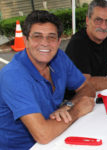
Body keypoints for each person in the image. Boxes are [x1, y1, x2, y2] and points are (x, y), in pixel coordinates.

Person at [0, 10, 95, 149]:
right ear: (26, 41)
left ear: (58, 42)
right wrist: (76, 111)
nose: (45, 43)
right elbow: (43, 135)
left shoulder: (59, 58)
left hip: (55, 137)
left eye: (51, 37)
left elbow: (87, 89)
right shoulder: (13, 75)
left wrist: (67, 106)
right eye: (37, 36)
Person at [65, 0, 107, 97]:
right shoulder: (78, 43)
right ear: (88, 20)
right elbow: (86, 83)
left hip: (100, 92)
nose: (103, 26)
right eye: (98, 20)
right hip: (77, 99)